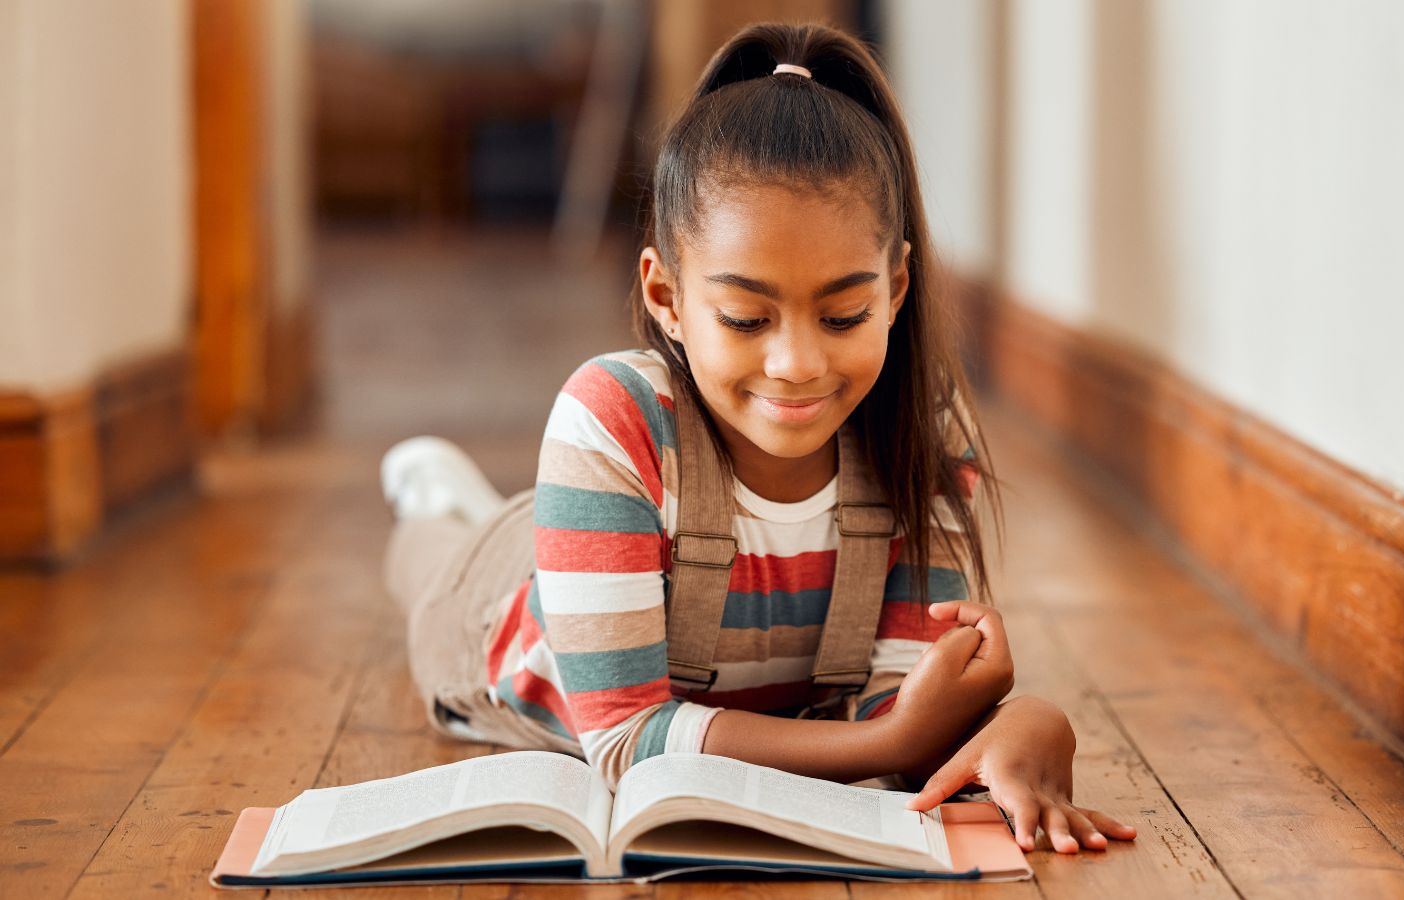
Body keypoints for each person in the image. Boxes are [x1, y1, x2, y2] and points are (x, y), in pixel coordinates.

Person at [381, 21, 1136, 855]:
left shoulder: (925, 428)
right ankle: (435, 500)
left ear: (896, 288)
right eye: (745, 317)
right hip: (493, 608)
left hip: (618, 546)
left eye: (845, 313)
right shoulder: (611, 417)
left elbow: (897, 700)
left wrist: (1029, 721)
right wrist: (888, 746)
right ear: (666, 297)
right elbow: (629, 741)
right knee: (424, 559)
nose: (797, 363)